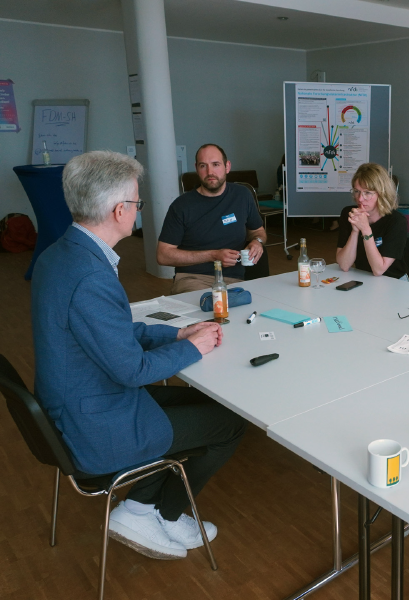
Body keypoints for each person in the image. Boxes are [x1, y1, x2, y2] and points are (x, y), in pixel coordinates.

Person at [31, 151, 247, 561]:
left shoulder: (63, 254)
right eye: (136, 202)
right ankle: (144, 508)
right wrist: (192, 347)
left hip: (79, 399)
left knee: (206, 407)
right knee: (230, 424)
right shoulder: (91, 275)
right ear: (118, 210)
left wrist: (178, 332)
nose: (137, 210)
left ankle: (154, 511)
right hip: (94, 423)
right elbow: (132, 370)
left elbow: (111, 333)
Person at [157, 144, 267, 294]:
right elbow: (163, 255)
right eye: (203, 166)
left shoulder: (242, 195)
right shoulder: (182, 206)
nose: (210, 172)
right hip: (193, 279)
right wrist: (213, 255)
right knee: (213, 307)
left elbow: (258, 231)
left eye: (216, 165)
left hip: (235, 280)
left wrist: (257, 242)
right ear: (197, 169)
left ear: (227, 166)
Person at [336, 162, 408, 279]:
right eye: (357, 191)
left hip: (393, 280)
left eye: (367, 193)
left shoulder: (396, 221)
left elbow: (379, 270)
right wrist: (355, 231)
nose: (360, 198)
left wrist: (365, 229)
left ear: (381, 193)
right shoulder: (348, 213)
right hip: (362, 277)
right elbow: (344, 265)